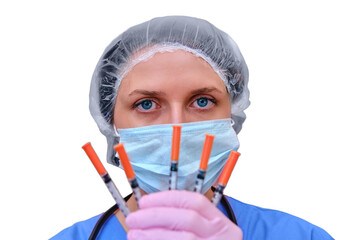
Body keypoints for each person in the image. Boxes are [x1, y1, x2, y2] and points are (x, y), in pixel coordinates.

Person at [51, 16, 333, 240]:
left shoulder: (300, 236)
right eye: (146, 104)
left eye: (202, 101)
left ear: (232, 115)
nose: (177, 126)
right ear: (111, 122)